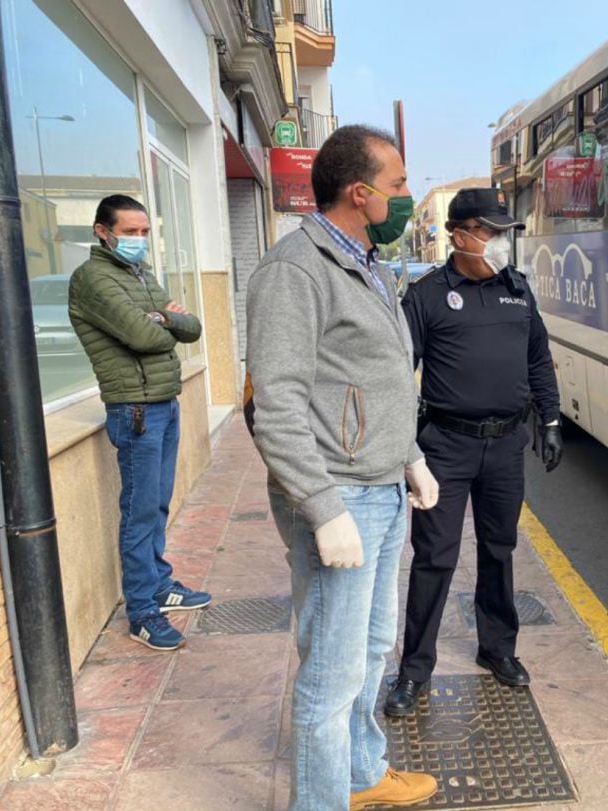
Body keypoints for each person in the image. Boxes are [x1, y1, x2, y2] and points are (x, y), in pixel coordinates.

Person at [245, 125, 439, 811]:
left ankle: (361, 775)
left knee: (371, 649)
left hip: (382, 488)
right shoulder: (296, 270)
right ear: (360, 193)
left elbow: (378, 378)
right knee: (329, 673)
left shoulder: (372, 265)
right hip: (340, 495)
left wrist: (409, 457)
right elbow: (278, 404)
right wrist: (323, 509)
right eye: (398, 186)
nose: (406, 198)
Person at [384, 188, 563, 718]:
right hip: (446, 445)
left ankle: (497, 648)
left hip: (507, 444)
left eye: (503, 232)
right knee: (434, 558)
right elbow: (395, 374)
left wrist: (549, 421)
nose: (499, 242)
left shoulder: (518, 290)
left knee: (499, 549)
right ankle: (414, 670)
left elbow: (538, 359)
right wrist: (406, 448)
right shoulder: (427, 295)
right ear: (457, 234)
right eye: (489, 231)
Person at [67, 195, 211, 652]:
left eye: (145, 232)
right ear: (102, 231)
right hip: (134, 409)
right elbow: (144, 335)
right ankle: (143, 613)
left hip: (162, 401)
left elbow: (192, 328)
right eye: (130, 232)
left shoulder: (138, 274)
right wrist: (165, 317)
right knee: (139, 511)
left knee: (158, 504)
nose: (139, 240)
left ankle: (159, 584)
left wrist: (164, 316)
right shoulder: (92, 279)